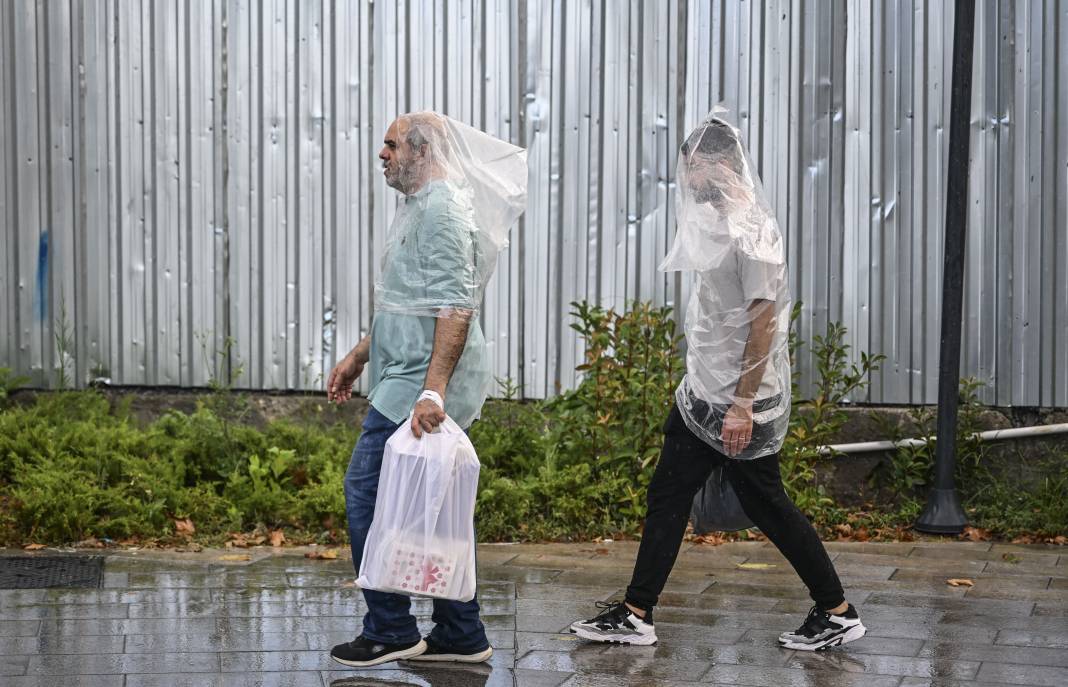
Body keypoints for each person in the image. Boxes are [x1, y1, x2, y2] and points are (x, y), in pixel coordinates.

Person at [568, 107, 866, 652]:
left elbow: (763, 319)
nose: (686, 180)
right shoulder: (718, 219)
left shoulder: (754, 231)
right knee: (670, 493)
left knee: (766, 504)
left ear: (717, 163)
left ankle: (837, 609)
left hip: (738, 400)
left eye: (691, 167)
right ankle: (637, 610)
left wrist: (742, 404)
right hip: (704, 394)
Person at [325, 112, 527, 667]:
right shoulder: (419, 206)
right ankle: (461, 634)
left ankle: (390, 628)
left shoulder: (441, 209)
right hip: (404, 373)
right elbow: (405, 300)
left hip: (421, 383)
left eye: (390, 146)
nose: (382, 155)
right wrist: (358, 356)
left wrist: (433, 392)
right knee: (433, 506)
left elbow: (456, 305)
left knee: (365, 490)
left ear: (421, 150)